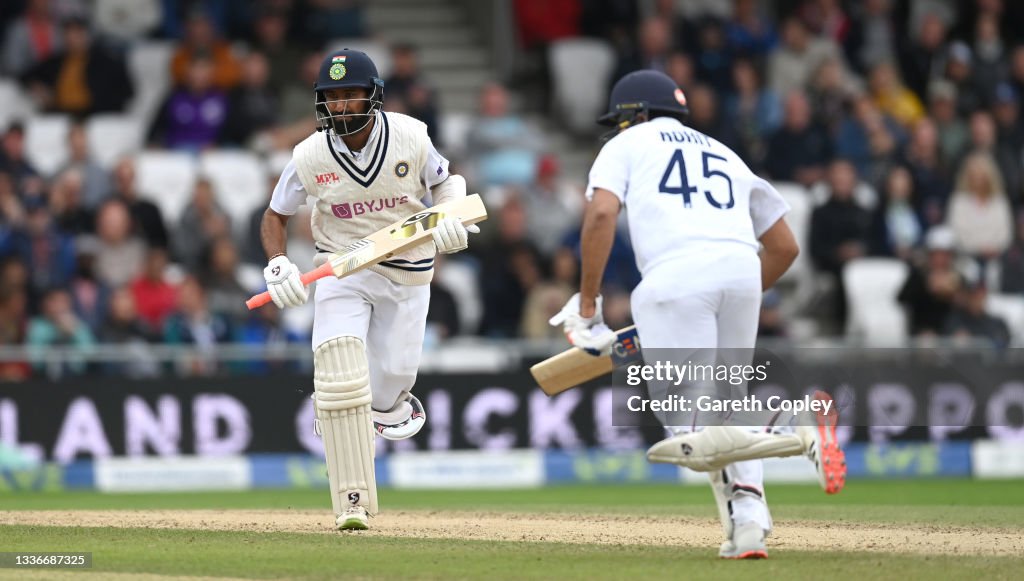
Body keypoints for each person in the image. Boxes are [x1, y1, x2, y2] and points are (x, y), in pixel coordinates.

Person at [549, 70, 846, 560]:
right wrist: (733, 290)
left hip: (673, 277)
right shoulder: (725, 152)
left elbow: (601, 215)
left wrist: (587, 307)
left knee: (691, 434)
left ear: (635, 114)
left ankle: (797, 422)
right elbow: (785, 245)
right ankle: (747, 527)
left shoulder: (628, 144)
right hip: (741, 274)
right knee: (726, 413)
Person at [259, 50, 476, 531]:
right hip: (342, 268)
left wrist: (449, 218)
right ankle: (351, 501)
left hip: (408, 268)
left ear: (372, 95)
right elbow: (276, 213)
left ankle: (373, 409)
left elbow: (448, 184)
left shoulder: (410, 135)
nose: (340, 105)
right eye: (331, 97)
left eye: (349, 94)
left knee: (390, 384)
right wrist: (277, 263)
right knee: (338, 368)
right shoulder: (309, 155)